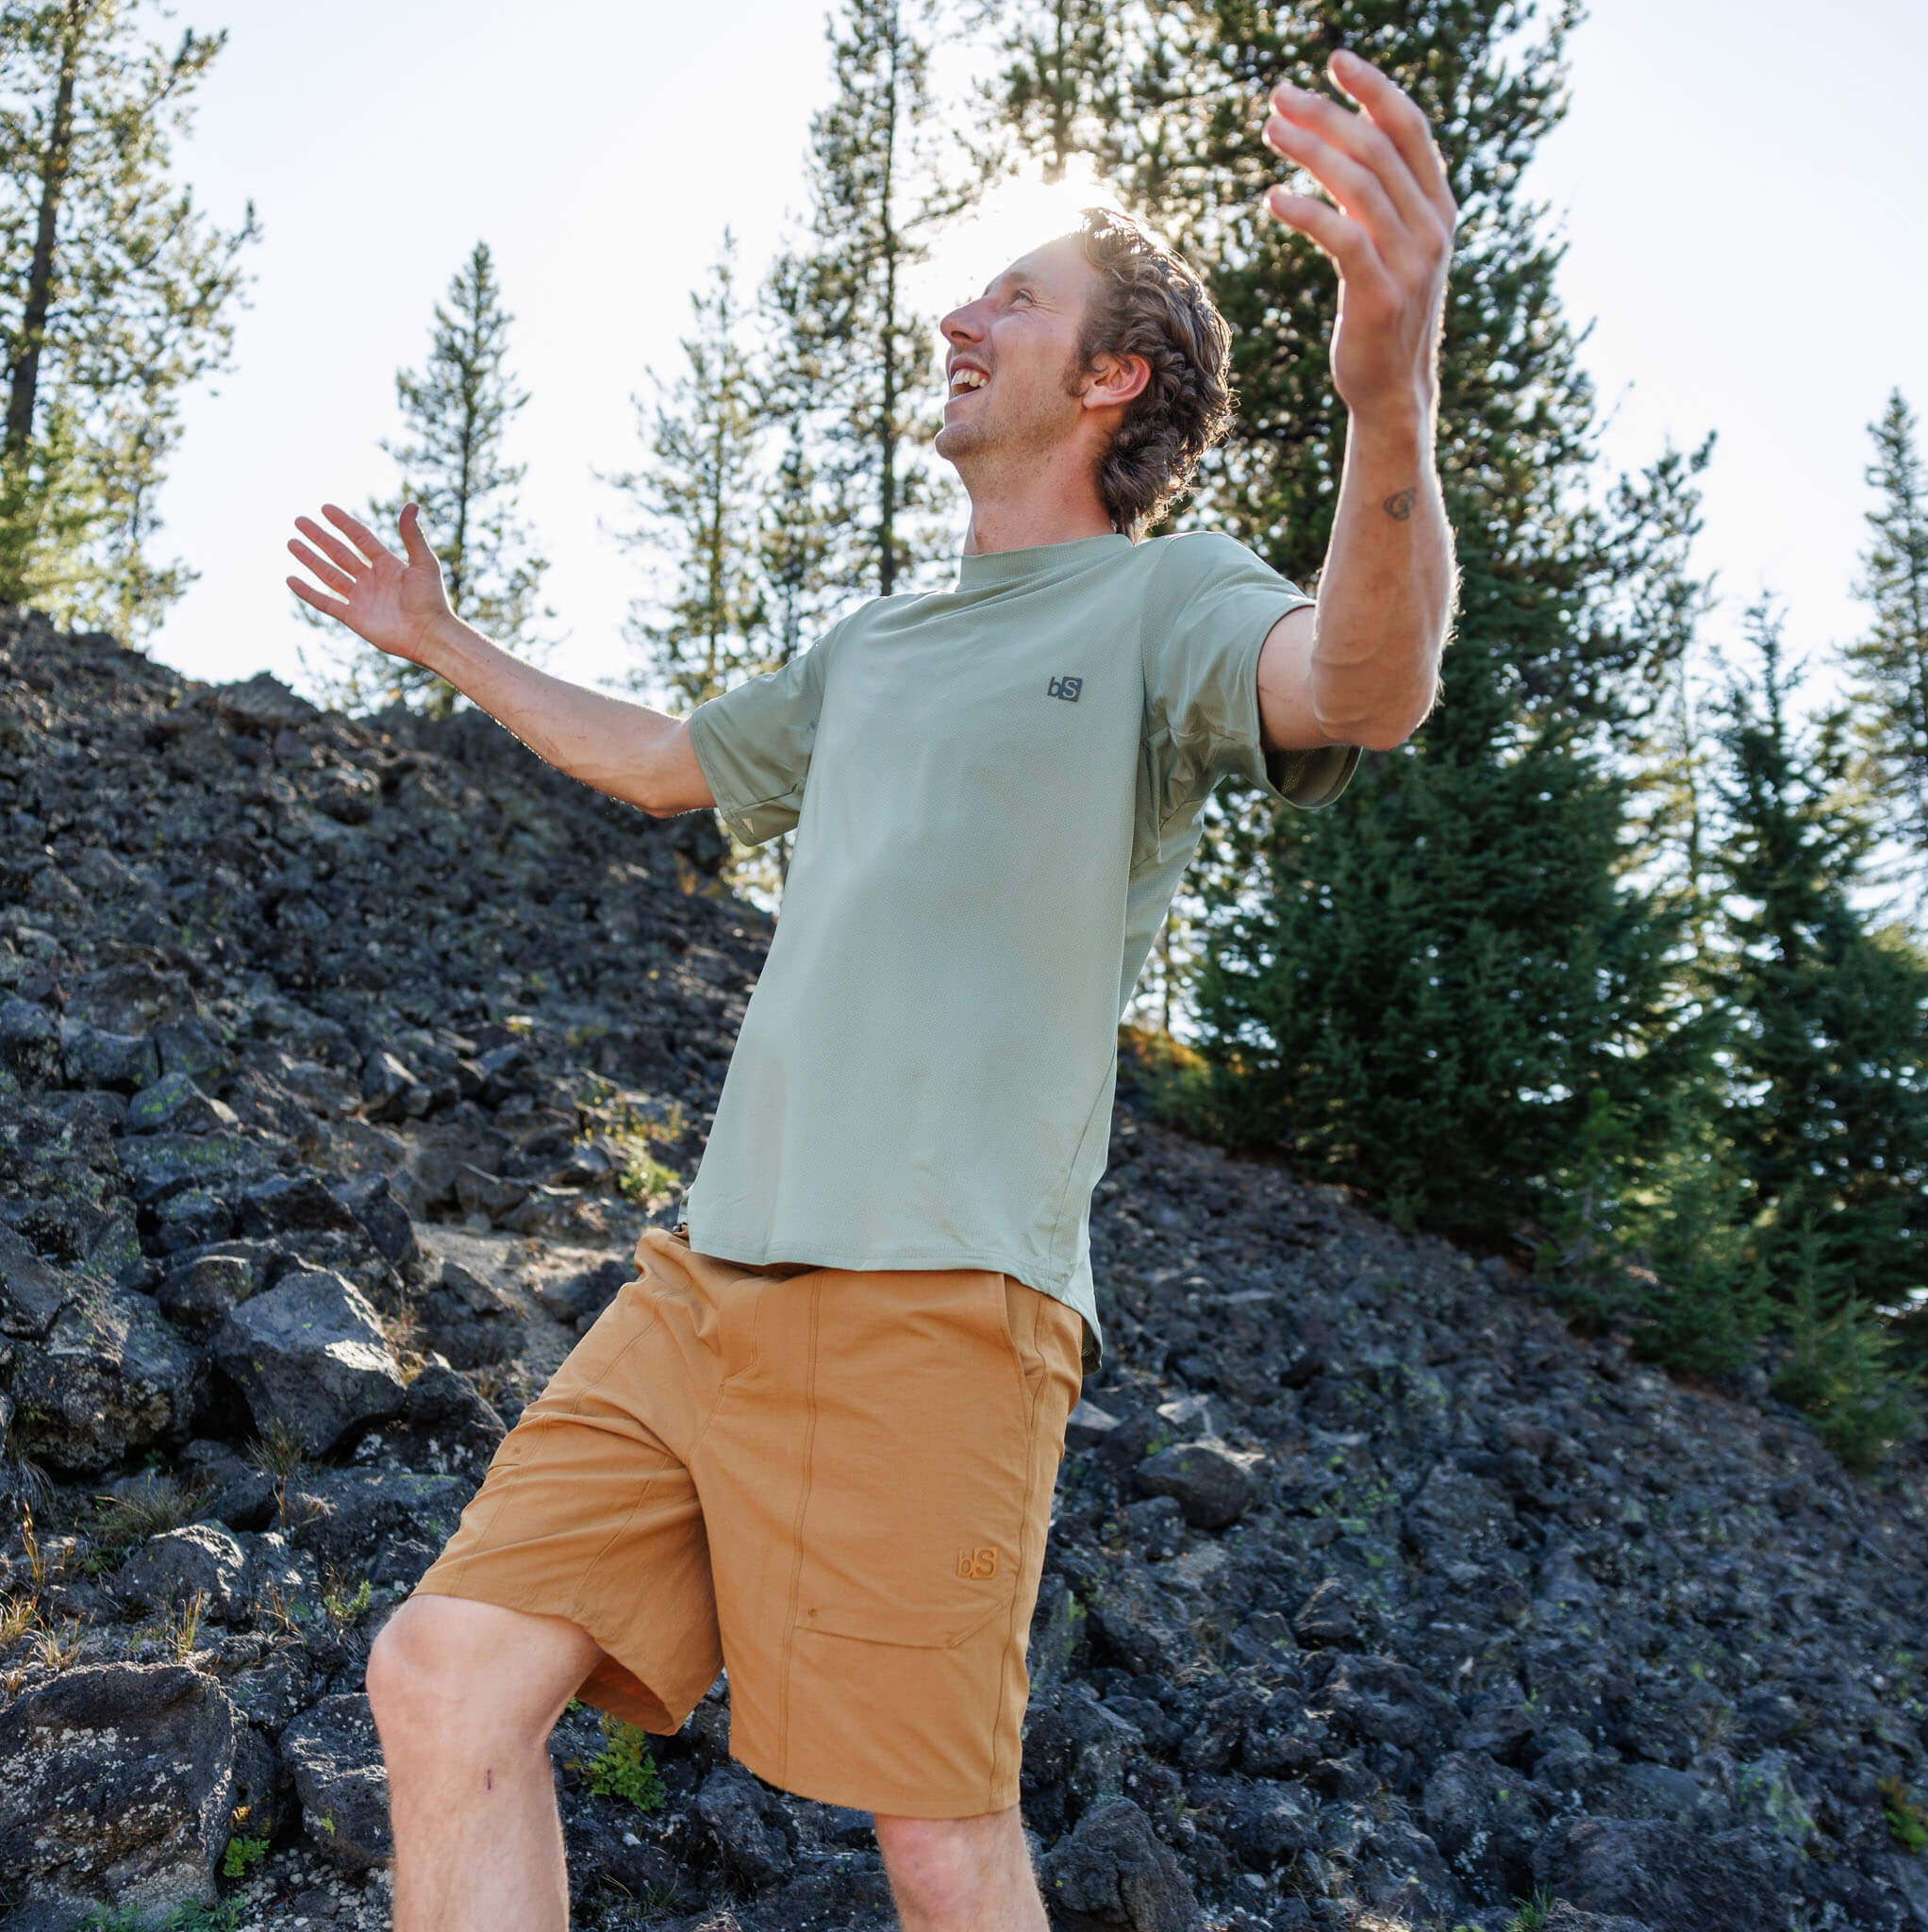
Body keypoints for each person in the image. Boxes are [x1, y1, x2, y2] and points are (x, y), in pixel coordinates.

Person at [284, 44, 1457, 1932]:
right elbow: (664, 762)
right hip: (708, 1282)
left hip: (942, 1299)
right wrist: (441, 638)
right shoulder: (876, 648)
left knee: (934, 1834)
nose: (956, 319)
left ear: (1113, 378)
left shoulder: (1164, 601)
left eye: (1013, 298)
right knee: (442, 1678)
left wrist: (1387, 399)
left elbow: (1363, 686)